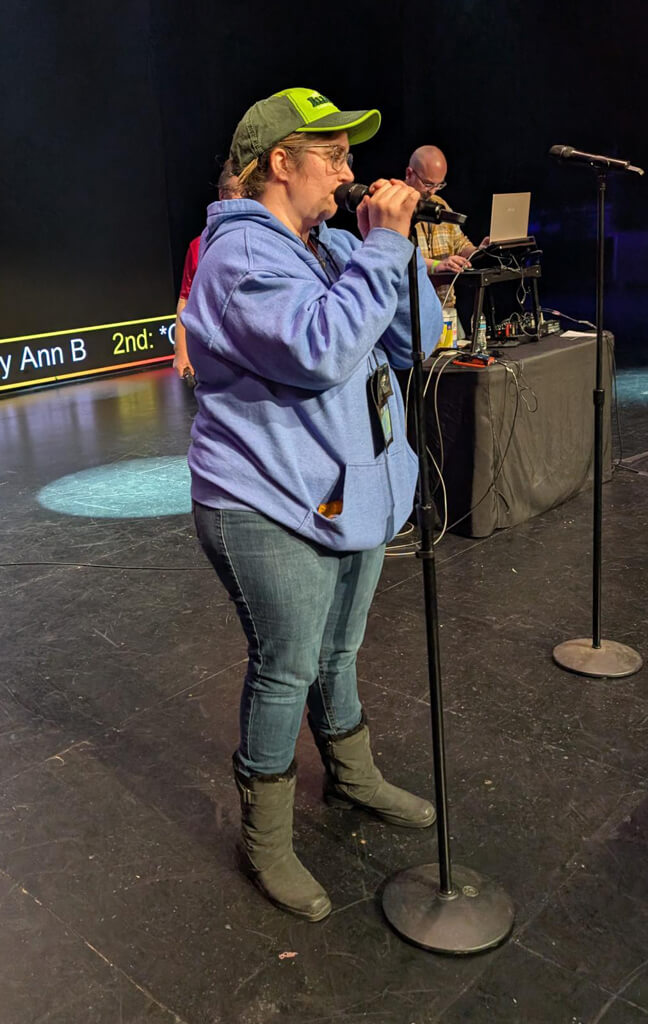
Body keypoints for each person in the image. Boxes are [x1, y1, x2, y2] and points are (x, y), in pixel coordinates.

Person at [181, 87, 442, 922]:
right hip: (264, 500)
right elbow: (321, 350)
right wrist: (382, 247)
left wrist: (393, 251)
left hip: (344, 490)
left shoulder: (332, 246)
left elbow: (417, 338)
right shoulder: (236, 258)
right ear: (280, 163)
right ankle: (265, 840)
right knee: (287, 665)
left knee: (340, 649)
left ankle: (353, 777)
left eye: (348, 155)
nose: (347, 169)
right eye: (331, 155)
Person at [172, 161, 240, 379]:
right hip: (215, 358)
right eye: (236, 193)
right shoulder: (199, 246)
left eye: (248, 195)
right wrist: (181, 352)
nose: (241, 201)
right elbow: (185, 300)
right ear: (222, 196)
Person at [405, 145, 487, 314]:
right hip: (411, 311)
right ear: (409, 173)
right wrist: (437, 265)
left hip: (444, 308)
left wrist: (481, 251)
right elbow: (399, 260)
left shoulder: (440, 204)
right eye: (428, 184)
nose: (432, 191)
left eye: (439, 185)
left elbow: (460, 244)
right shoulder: (393, 208)